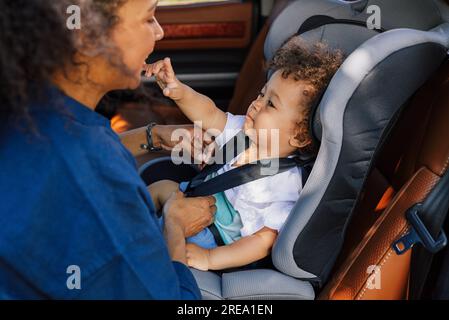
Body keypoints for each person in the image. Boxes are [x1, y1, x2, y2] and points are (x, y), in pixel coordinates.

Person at [0, 0, 216, 299]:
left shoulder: (26, 103)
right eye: (149, 18)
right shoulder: (95, 177)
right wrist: (175, 225)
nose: (160, 32)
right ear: (86, 35)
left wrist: (154, 137)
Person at [144, 36, 344, 271]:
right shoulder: (242, 131)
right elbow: (208, 113)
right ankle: (120, 212)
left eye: (271, 104)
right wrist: (178, 91)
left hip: (214, 236)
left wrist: (210, 258)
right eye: (262, 94)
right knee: (162, 185)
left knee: (158, 240)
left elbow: (262, 241)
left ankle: (137, 242)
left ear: (299, 136)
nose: (257, 103)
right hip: (192, 200)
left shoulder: (285, 183)